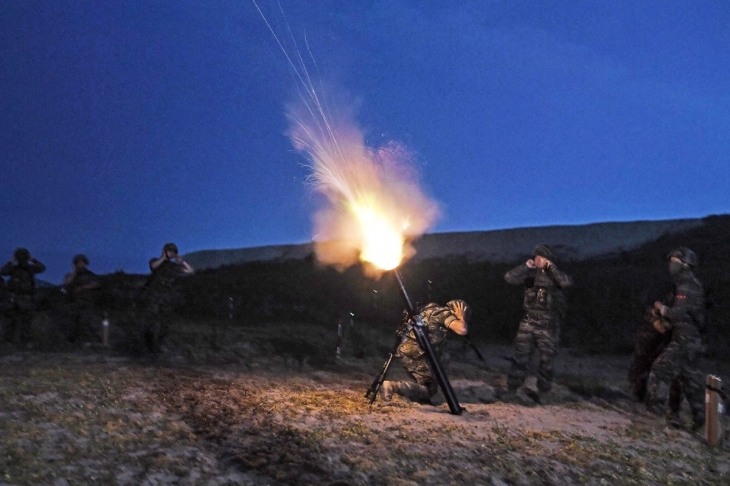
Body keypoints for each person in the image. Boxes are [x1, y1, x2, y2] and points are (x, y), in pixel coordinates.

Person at [502, 244, 572, 402]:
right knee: (520, 355)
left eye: (542, 258)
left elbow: (565, 282)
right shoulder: (529, 276)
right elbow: (509, 277)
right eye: (536, 257)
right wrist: (524, 266)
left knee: (546, 359)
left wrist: (551, 267)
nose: (538, 260)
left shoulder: (555, 276)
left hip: (548, 321)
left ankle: (544, 392)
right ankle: (512, 388)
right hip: (529, 318)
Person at [646, 247, 706, 430]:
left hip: (686, 338)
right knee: (690, 381)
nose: (671, 265)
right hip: (689, 338)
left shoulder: (686, 285)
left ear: (686, 264)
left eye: (675, 261)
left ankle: (655, 416)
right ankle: (702, 420)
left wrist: (661, 308)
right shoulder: (685, 284)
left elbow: (678, 314)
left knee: (660, 368)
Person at [380, 300, 470, 403]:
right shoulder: (444, 314)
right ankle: (393, 386)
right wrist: (461, 317)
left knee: (429, 378)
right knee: (429, 390)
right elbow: (462, 329)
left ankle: (419, 396)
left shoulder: (431, 310)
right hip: (414, 352)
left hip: (409, 350)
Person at [142, 243, 194, 353]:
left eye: (173, 251)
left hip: (166, 297)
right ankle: (148, 346)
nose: (171, 253)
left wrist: (181, 261)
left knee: (164, 323)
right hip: (154, 296)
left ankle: (158, 346)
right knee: (150, 322)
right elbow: (153, 266)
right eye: (169, 251)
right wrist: (163, 257)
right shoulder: (156, 261)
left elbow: (190, 271)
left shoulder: (173, 267)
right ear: (164, 251)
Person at [0, 248, 46, 344]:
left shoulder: (30, 269)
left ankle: (25, 341)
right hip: (14, 297)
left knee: (26, 320)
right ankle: (9, 341)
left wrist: (32, 259)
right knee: (11, 319)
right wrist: (11, 261)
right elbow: (3, 272)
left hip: (26, 297)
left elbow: (42, 268)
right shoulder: (14, 269)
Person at [62, 254, 101, 343]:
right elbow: (66, 283)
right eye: (78, 262)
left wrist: (83, 288)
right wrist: (74, 272)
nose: (80, 264)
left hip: (86, 303)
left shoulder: (90, 275)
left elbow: (96, 284)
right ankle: (71, 342)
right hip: (73, 302)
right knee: (71, 323)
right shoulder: (71, 275)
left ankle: (85, 341)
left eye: (82, 262)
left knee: (85, 322)